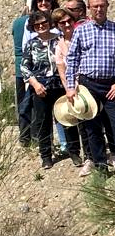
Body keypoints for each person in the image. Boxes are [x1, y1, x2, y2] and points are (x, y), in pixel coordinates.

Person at [65, 0, 115, 179]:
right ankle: (101, 167)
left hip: (112, 86)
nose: (99, 9)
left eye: (102, 5)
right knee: (92, 128)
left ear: (107, 6)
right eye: (95, 6)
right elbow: (72, 60)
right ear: (89, 8)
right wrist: (71, 87)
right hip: (88, 86)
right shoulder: (80, 30)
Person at [22, 11, 80, 169]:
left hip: (60, 84)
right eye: (37, 24)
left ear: (49, 23)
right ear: (33, 27)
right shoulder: (31, 44)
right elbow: (25, 67)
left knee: (67, 118)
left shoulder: (59, 41)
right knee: (43, 122)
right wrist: (35, 84)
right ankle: (46, 156)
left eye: (44, 23)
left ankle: (74, 151)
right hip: (40, 87)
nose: (41, 26)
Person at [50, 7, 84, 169]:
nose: (67, 24)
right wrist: (69, 88)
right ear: (58, 26)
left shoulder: (83, 37)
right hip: (69, 86)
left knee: (87, 118)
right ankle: (74, 152)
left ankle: (91, 153)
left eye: (69, 20)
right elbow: (61, 71)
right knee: (70, 120)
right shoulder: (59, 46)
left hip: (86, 83)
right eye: (62, 22)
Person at [12, 0, 32, 146]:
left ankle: (24, 137)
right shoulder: (37, 22)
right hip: (34, 67)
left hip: (19, 66)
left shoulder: (17, 22)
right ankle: (38, 137)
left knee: (22, 103)